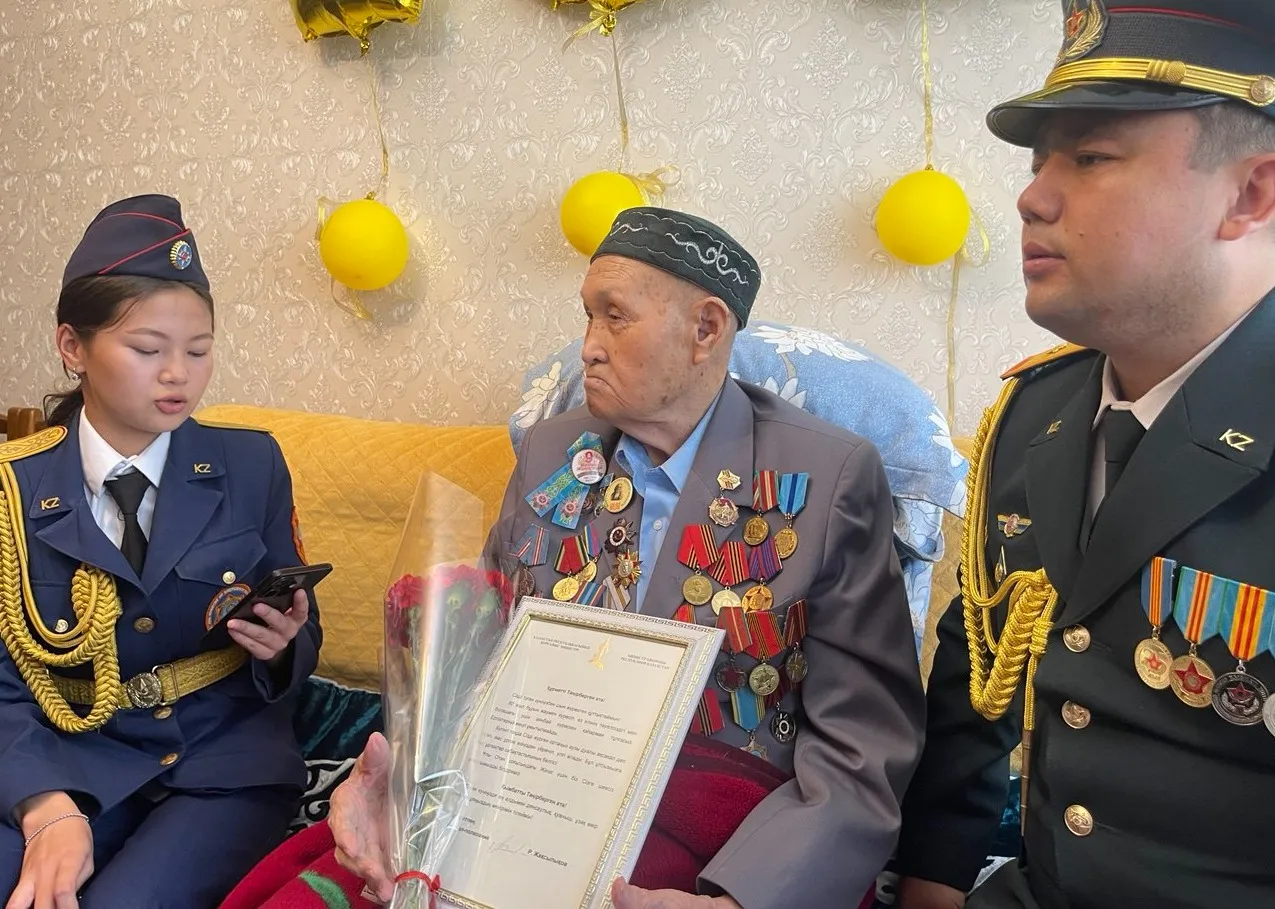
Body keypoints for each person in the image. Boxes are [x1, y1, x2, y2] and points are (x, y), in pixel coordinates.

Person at [329, 207, 926, 908]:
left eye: (615, 317)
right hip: (523, 810)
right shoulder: (553, 450)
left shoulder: (827, 477)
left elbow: (863, 743)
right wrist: (400, 786)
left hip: (723, 840)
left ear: (706, 330)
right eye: (588, 315)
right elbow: (475, 664)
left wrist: (739, 901)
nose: (587, 347)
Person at [893, 3, 1275, 908]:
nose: (1031, 197)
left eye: (1090, 157)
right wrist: (929, 882)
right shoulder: (1037, 413)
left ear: (1249, 195)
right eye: (1037, 163)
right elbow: (977, 676)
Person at [0, 194, 323, 909]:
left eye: (198, 350)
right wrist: (44, 806)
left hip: (222, 767)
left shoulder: (251, 465)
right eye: (148, 350)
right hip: (66, 759)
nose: (179, 373)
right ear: (72, 347)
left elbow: (304, 638)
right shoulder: (10, 492)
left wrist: (280, 645)